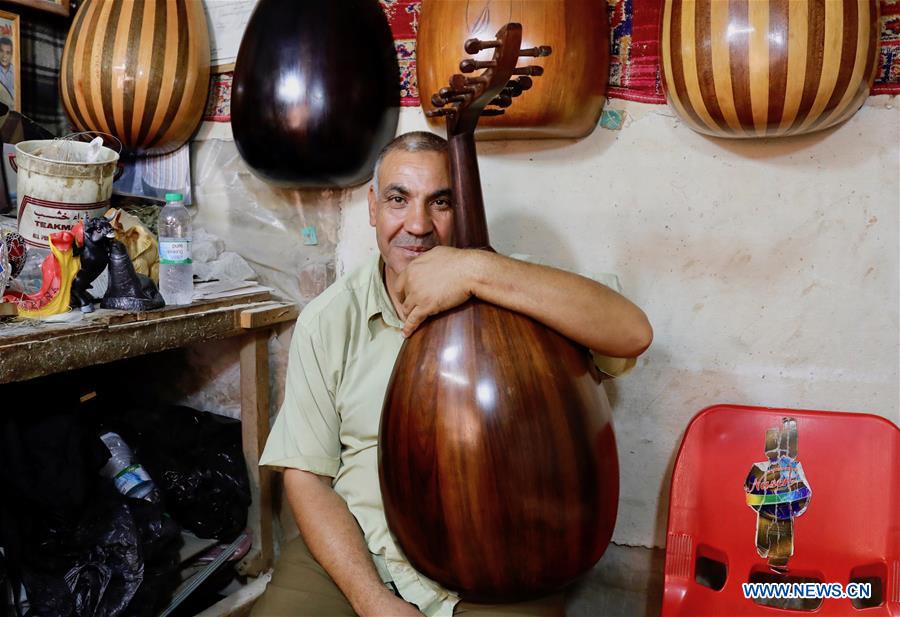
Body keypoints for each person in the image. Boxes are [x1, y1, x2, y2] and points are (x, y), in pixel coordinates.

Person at [252, 131, 653, 617]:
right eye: (399, 200)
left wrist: (477, 274)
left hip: (496, 564)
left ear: (463, 209)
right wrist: (371, 600)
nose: (418, 225)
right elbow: (307, 477)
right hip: (363, 548)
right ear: (373, 207)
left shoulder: (522, 286)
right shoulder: (330, 318)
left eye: (440, 202)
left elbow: (631, 332)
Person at [0, 37, 13, 103]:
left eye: (8, 53)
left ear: (11, 55)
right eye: (1, 51)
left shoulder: (15, 73)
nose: (4, 56)